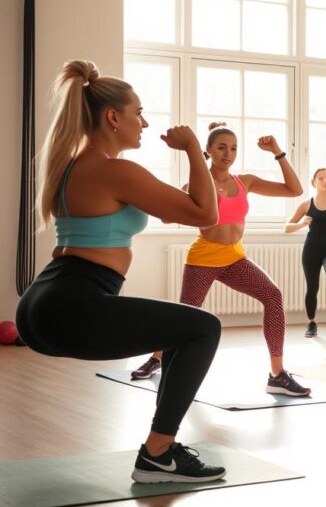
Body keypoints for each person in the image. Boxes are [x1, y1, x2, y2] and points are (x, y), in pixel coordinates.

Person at [16, 60, 225, 482]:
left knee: (182, 331)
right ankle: (158, 454)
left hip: (39, 303)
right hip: (73, 305)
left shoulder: (70, 164)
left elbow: (168, 209)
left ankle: (158, 452)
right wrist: (192, 150)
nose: (144, 123)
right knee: (203, 329)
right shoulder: (116, 171)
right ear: (113, 117)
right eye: (138, 113)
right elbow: (206, 214)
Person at [130, 123, 310, 397]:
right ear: (208, 150)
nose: (228, 154)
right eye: (222, 147)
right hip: (203, 258)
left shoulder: (244, 181)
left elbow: (294, 190)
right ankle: (157, 358)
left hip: (234, 258)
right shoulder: (198, 184)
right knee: (186, 314)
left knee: (273, 296)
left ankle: (277, 375)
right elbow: (169, 215)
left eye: (234, 148)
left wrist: (277, 152)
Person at [285, 168, 326, 340]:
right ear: (314, 182)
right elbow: (286, 227)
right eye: (321, 178)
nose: (325, 181)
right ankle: (312, 322)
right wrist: (300, 225)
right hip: (311, 250)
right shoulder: (306, 204)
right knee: (312, 287)